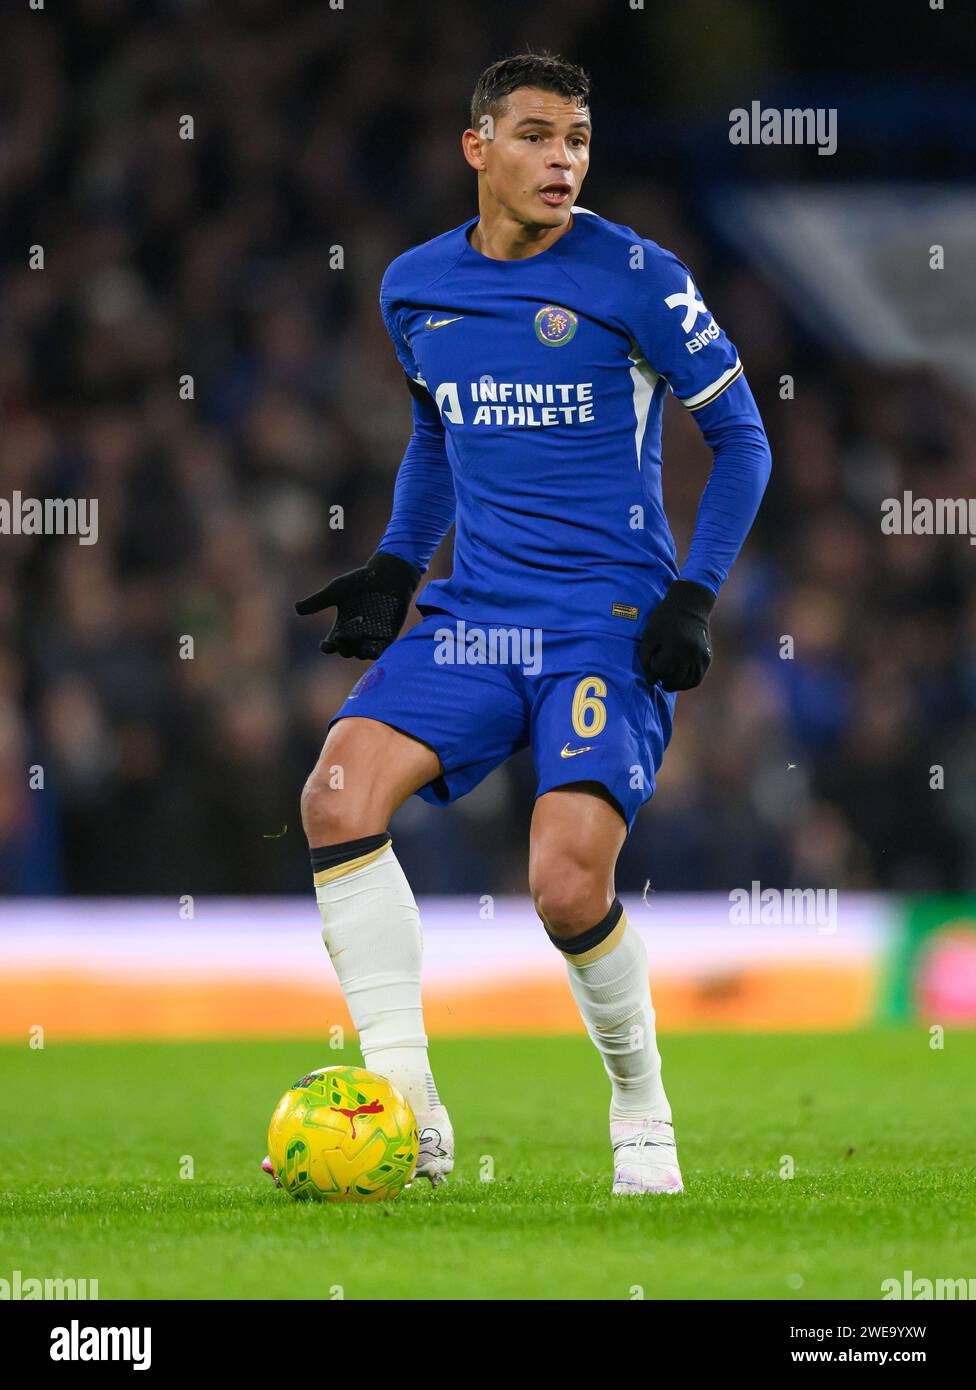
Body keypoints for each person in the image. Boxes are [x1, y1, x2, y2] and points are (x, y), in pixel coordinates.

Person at [267, 51, 772, 1195]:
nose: (563, 161)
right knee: (334, 798)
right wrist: (399, 566)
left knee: (565, 888)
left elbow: (745, 440)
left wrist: (692, 592)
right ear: (476, 147)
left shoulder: (639, 276)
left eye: (579, 140)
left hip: (604, 621)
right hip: (476, 611)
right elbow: (438, 435)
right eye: (538, 136)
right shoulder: (413, 286)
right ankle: (408, 1106)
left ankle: (639, 1102)